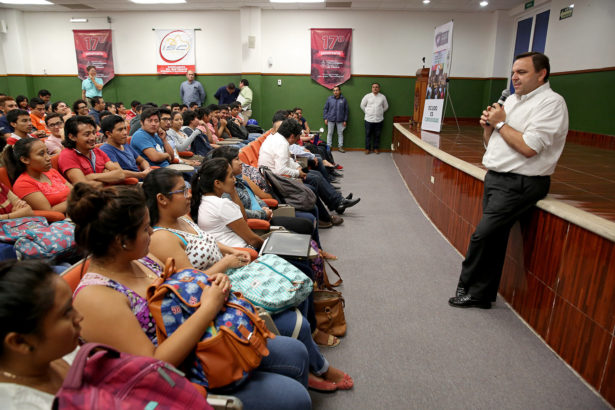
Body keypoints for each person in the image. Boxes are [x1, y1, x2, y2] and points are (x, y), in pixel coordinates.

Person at [67, 183, 312, 410]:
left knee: (296, 353)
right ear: (121, 242)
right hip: (182, 376)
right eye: (144, 228)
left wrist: (208, 285)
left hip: (208, 342)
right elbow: (154, 365)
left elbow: (179, 295)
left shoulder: (140, 260)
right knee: (294, 397)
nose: (152, 232)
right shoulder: (95, 298)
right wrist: (208, 307)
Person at [143, 168, 353, 392]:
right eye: (181, 191)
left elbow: (209, 240)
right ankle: (318, 367)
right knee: (294, 317)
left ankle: (311, 355)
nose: (188, 194)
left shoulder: (182, 219)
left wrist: (231, 252)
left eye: (187, 189)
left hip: (233, 272)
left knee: (298, 281)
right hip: (218, 291)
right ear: (162, 199)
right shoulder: (162, 238)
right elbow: (192, 285)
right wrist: (227, 262)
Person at [448, 52, 569, 309]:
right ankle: (480, 295)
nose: (515, 77)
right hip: (496, 178)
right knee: (493, 238)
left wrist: (501, 124)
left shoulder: (551, 103)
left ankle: (466, 286)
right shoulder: (511, 100)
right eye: (513, 72)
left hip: (521, 183)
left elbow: (528, 148)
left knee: (482, 236)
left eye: (522, 72)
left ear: (541, 74)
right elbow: (490, 144)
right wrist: (488, 128)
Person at [0, 260, 83, 409]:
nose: (79, 317)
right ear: (20, 342)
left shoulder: (58, 352)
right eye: (66, 313)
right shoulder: (21, 405)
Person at [259, 118, 359, 215]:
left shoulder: (275, 138)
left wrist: (297, 166)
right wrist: (298, 173)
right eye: (298, 138)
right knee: (314, 178)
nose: (298, 141)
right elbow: (280, 170)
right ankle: (337, 203)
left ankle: (338, 202)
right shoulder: (282, 144)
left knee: (316, 174)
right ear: (292, 136)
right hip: (277, 181)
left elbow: (287, 159)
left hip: (275, 177)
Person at [58, 115, 126, 188]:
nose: (93, 138)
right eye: (87, 134)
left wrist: (92, 176)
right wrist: (108, 178)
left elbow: (121, 174)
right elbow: (83, 186)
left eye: (94, 133)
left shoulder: (96, 151)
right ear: (72, 137)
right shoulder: (67, 155)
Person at [100, 115, 152, 180]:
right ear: (108, 134)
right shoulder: (105, 150)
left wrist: (147, 170)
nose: (125, 133)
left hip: (141, 178)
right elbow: (119, 173)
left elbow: (142, 161)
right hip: (130, 184)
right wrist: (141, 174)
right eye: (120, 130)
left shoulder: (125, 144)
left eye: (125, 128)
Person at [360, 82, 389, 154]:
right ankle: (367, 149)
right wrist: (367, 112)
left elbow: (386, 107)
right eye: (373, 87)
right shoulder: (367, 96)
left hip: (379, 120)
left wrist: (381, 111)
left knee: (377, 135)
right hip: (368, 119)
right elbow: (362, 105)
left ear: (379, 88)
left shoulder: (382, 97)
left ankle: (376, 148)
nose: (375, 88)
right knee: (368, 135)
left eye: (376, 87)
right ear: (371, 88)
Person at [323, 86, 349, 153]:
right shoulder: (329, 99)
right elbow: (326, 109)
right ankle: (329, 146)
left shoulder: (343, 99)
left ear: (339, 91)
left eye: (337, 90)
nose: (335, 92)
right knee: (330, 133)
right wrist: (325, 118)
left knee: (340, 133)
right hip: (330, 119)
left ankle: (340, 147)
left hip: (340, 120)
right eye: (334, 90)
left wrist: (345, 120)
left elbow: (346, 111)